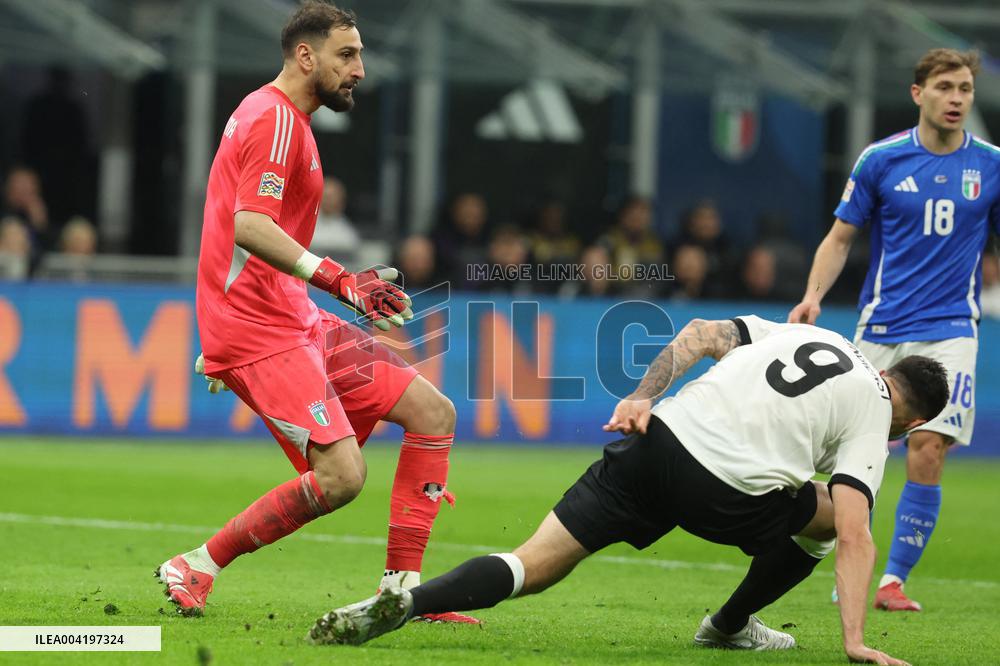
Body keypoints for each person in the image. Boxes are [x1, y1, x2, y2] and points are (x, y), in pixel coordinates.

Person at [309, 316, 947, 665]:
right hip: (721, 490)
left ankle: (404, 605)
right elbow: (858, 532)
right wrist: (855, 640)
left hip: (655, 443)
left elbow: (699, 334)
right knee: (831, 517)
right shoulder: (873, 408)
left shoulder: (821, 337)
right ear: (913, 421)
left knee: (531, 565)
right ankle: (727, 627)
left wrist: (643, 397)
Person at [156, 1, 476, 625]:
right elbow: (250, 225)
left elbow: (230, 223)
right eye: (347, 55)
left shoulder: (288, 122)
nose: (359, 69)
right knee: (341, 478)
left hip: (286, 314)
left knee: (432, 413)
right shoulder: (275, 120)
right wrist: (339, 282)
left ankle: (400, 595)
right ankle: (196, 563)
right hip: (258, 327)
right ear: (306, 56)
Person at [788, 48, 1000, 612]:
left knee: (929, 444)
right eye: (945, 88)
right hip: (881, 326)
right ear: (918, 93)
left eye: (965, 89)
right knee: (852, 454)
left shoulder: (992, 165)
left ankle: (892, 580)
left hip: (953, 327)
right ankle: (843, 561)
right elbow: (839, 239)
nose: (957, 98)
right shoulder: (881, 159)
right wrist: (812, 297)